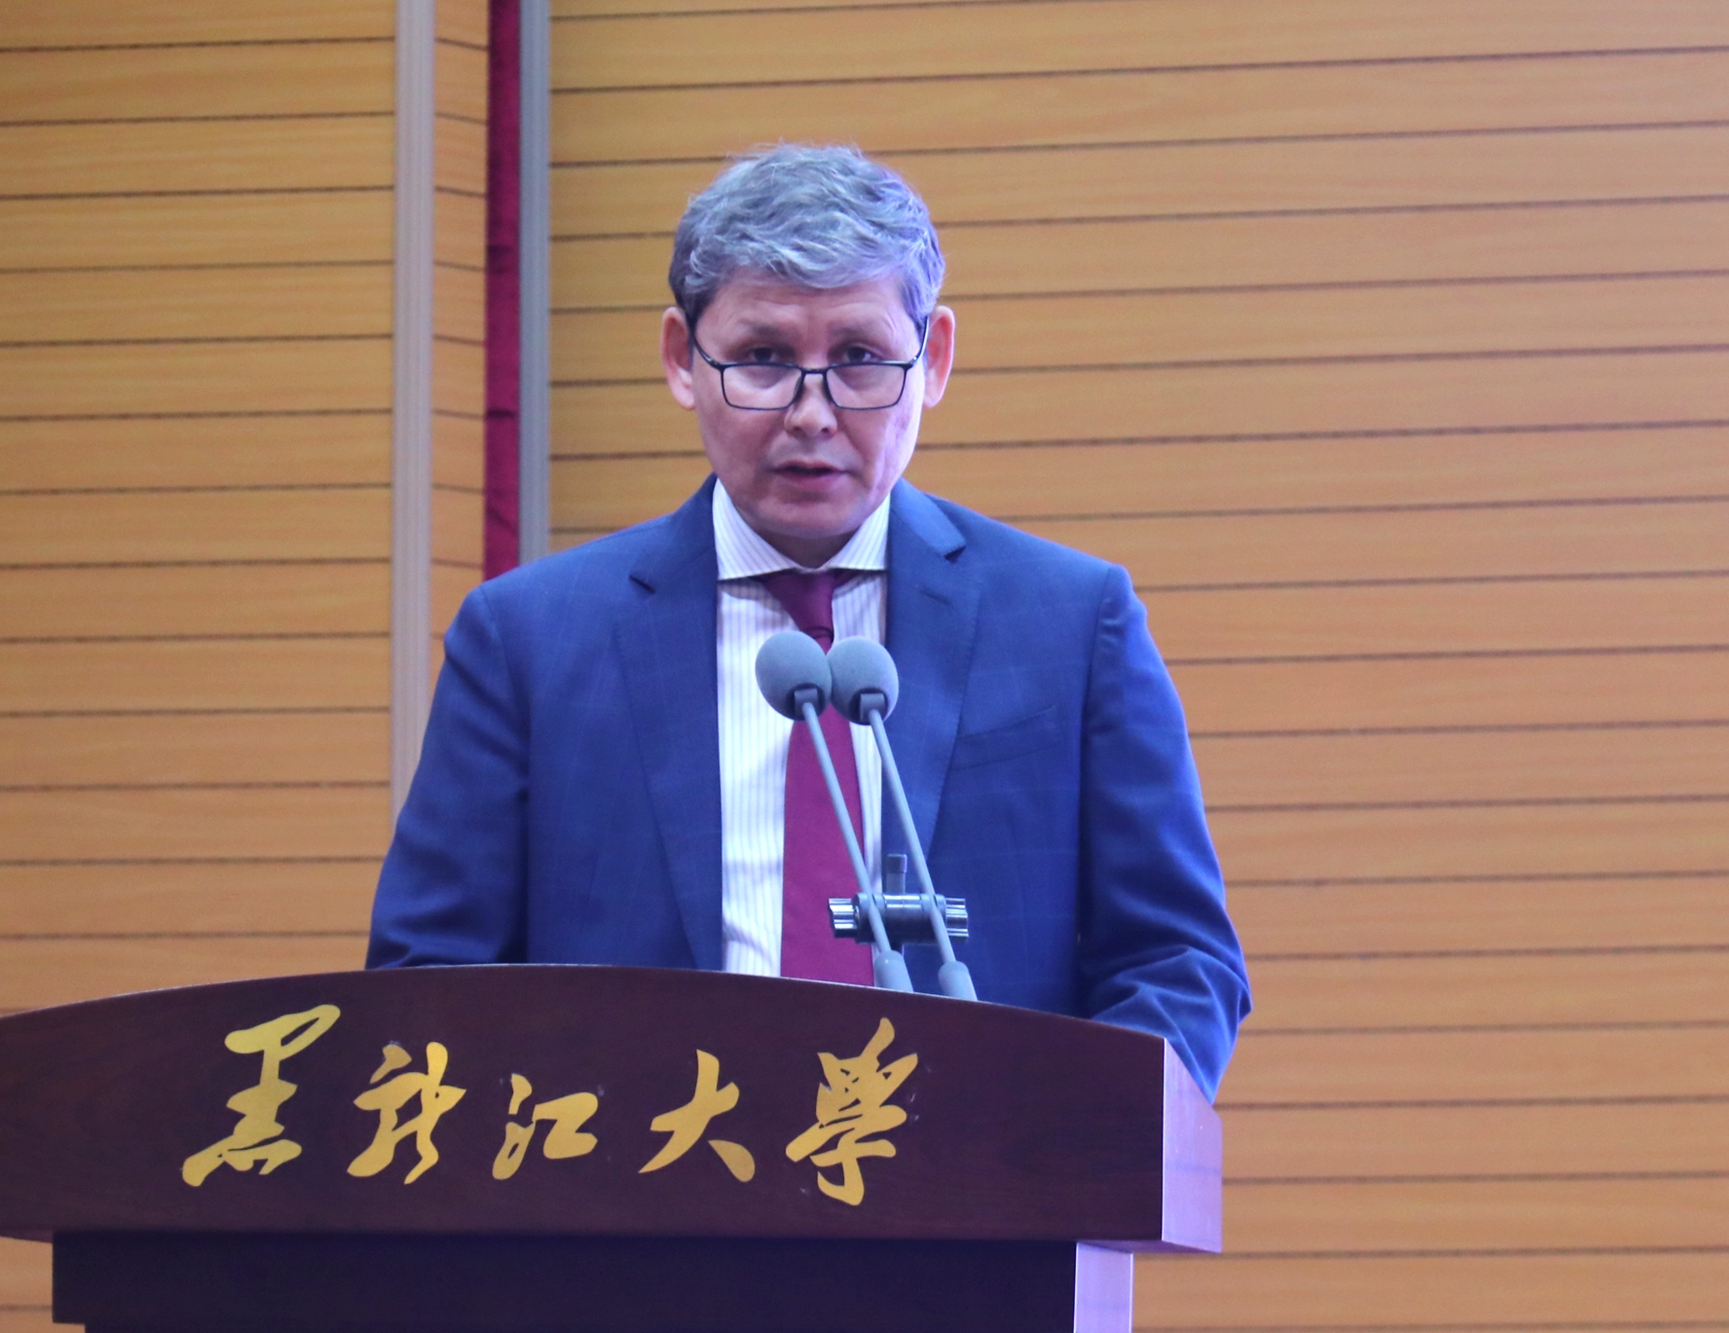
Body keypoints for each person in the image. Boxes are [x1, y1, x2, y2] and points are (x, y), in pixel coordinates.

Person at [367, 144, 1251, 1099]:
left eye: (860, 359)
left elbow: (1177, 960)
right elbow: (428, 983)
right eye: (763, 359)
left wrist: (1073, 1144)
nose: (812, 413)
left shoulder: (1071, 624)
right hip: (640, 1178)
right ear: (681, 358)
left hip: (975, 1184)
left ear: (934, 359)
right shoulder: (529, 642)